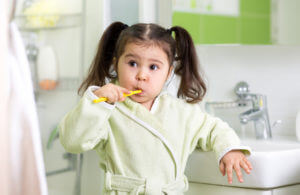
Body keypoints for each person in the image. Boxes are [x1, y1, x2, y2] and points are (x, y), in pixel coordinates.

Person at [59, 21, 252, 194]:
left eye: (153, 67)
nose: (142, 75)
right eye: (133, 63)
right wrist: (96, 101)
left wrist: (230, 149)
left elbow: (214, 128)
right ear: (116, 64)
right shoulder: (107, 110)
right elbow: (72, 141)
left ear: (168, 73)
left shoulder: (182, 113)